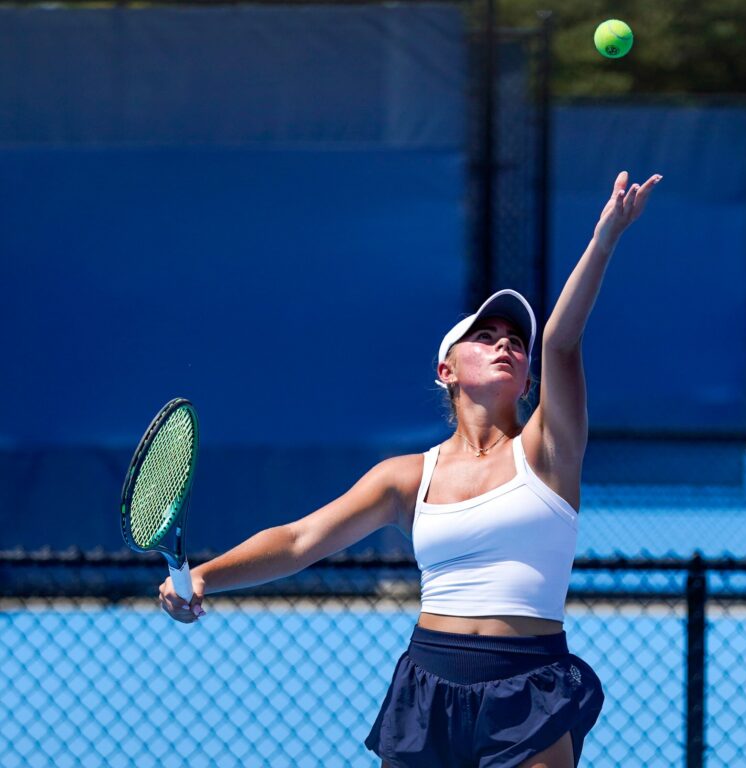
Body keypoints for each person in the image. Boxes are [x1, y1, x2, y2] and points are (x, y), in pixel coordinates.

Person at [159, 170, 662, 768]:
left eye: (514, 343)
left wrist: (605, 238)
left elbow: (560, 341)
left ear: (529, 381)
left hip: (530, 685)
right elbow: (298, 540)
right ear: (447, 370)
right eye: (484, 335)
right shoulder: (404, 478)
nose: (506, 344)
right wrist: (207, 577)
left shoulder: (550, 452)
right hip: (426, 683)